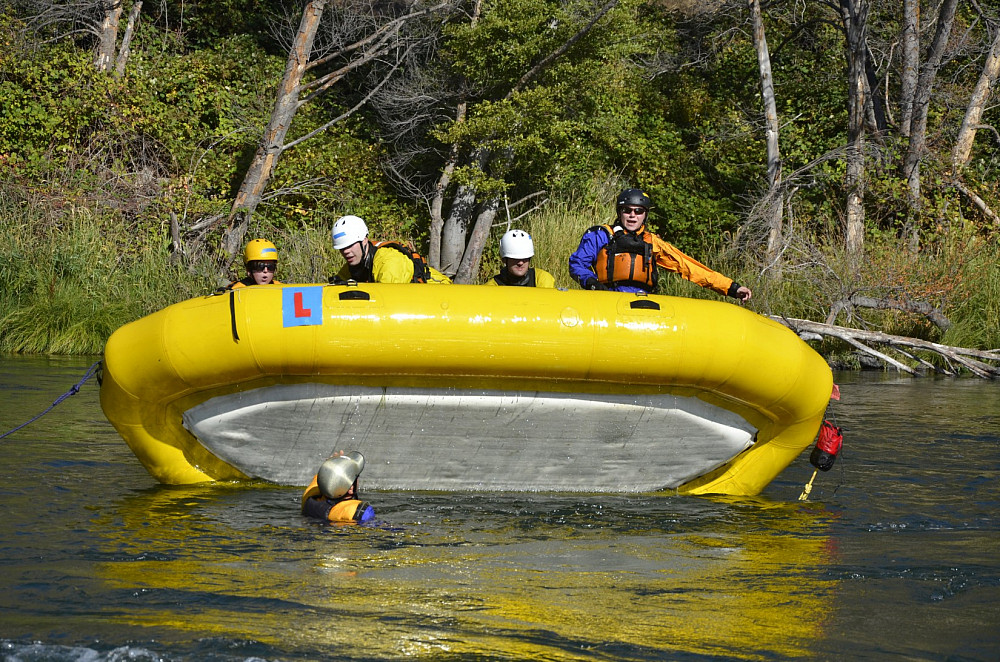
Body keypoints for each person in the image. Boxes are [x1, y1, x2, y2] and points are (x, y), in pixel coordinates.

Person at [568, 189, 752, 302]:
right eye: (627, 210)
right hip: (607, 299)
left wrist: (731, 288)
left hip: (641, 301)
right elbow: (577, 264)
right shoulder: (601, 234)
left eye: (638, 211)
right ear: (620, 212)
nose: (633, 216)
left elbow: (688, 267)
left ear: (645, 215)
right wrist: (593, 285)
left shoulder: (652, 242)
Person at [329, 215, 451, 284]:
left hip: (440, 297)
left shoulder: (388, 261)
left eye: (350, 245)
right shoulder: (352, 266)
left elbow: (387, 301)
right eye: (342, 248)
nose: (346, 251)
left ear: (364, 240)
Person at [301, 451, 376, 524]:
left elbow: (321, 480)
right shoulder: (359, 512)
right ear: (350, 489)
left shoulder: (308, 498)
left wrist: (330, 466)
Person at [485, 229, 556, 288]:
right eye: (515, 259)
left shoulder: (542, 278)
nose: (520, 263)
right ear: (504, 259)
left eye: (524, 258)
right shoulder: (492, 287)